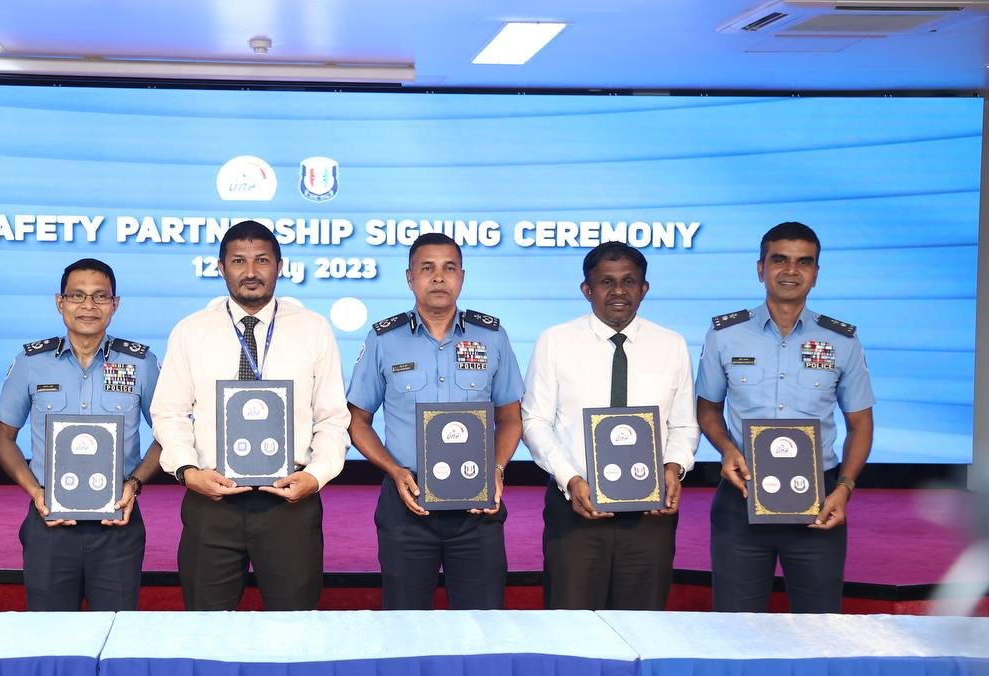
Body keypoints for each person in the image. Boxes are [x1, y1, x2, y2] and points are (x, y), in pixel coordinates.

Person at [151, 220, 349, 611]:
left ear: (280, 266)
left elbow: (331, 417)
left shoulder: (313, 329)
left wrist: (316, 475)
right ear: (220, 267)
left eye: (262, 260)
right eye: (238, 261)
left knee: (295, 625)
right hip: (212, 499)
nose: (251, 271)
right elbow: (169, 413)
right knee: (206, 626)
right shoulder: (191, 331)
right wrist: (188, 472)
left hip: (289, 500)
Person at [696, 221, 874, 613]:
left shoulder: (841, 340)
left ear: (816, 273)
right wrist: (726, 449)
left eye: (803, 262)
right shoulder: (725, 334)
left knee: (819, 627)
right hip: (742, 495)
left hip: (819, 500)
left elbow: (860, 424)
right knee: (735, 627)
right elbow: (707, 409)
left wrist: (844, 488)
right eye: (780, 260)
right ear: (761, 268)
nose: (791, 271)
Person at [346, 233, 523, 609]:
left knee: (483, 624)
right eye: (428, 268)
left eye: (449, 268)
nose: (439, 277)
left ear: (462, 277)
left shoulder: (492, 337)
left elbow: (510, 418)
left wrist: (496, 469)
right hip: (407, 500)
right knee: (405, 622)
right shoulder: (384, 339)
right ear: (410, 277)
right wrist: (394, 471)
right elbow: (357, 420)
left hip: (478, 505)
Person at [521, 243, 698, 610]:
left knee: (642, 627)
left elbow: (683, 424)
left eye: (629, 281)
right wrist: (571, 480)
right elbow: (535, 421)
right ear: (587, 290)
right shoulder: (555, 342)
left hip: (651, 515)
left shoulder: (672, 345)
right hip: (576, 509)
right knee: (572, 627)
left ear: (644, 288)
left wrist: (673, 467)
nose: (619, 291)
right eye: (606, 282)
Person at [0, 258, 162, 611]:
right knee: (51, 635)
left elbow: (168, 435)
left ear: (115, 304)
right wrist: (35, 492)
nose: (88, 305)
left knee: (115, 632)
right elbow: (2, 438)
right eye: (77, 295)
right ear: (60, 302)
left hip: (117, 524)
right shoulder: (30, 362)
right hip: (48, 523)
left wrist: (135, 483)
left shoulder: (141, 363)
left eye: (100, 296)